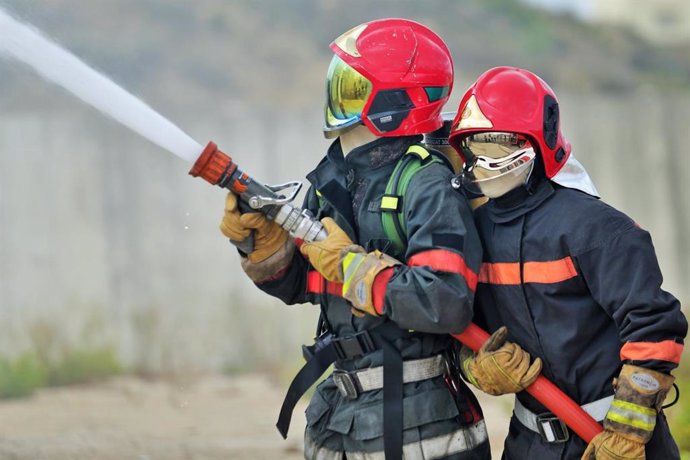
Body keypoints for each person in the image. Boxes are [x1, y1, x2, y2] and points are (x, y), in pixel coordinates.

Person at [220, 19, 491, 460]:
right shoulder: (335, 181)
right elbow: (307, 285)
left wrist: (350, 266)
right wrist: (264, 248)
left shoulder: (426, 184)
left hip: (416, 423)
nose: (336, 95)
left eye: (353, 86)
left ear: (394, 102)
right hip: (340, 416)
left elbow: (446, 300)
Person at [447, 66, 688, 460]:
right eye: (475, 149)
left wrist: (628, 429)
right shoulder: (475, 234)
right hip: (527, 444)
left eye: (497, 148)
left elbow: (654, 327)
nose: (485, 162)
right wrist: (478, 367)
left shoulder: (597, 230)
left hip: (613, 442)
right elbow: (457, 326)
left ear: (536, 143)